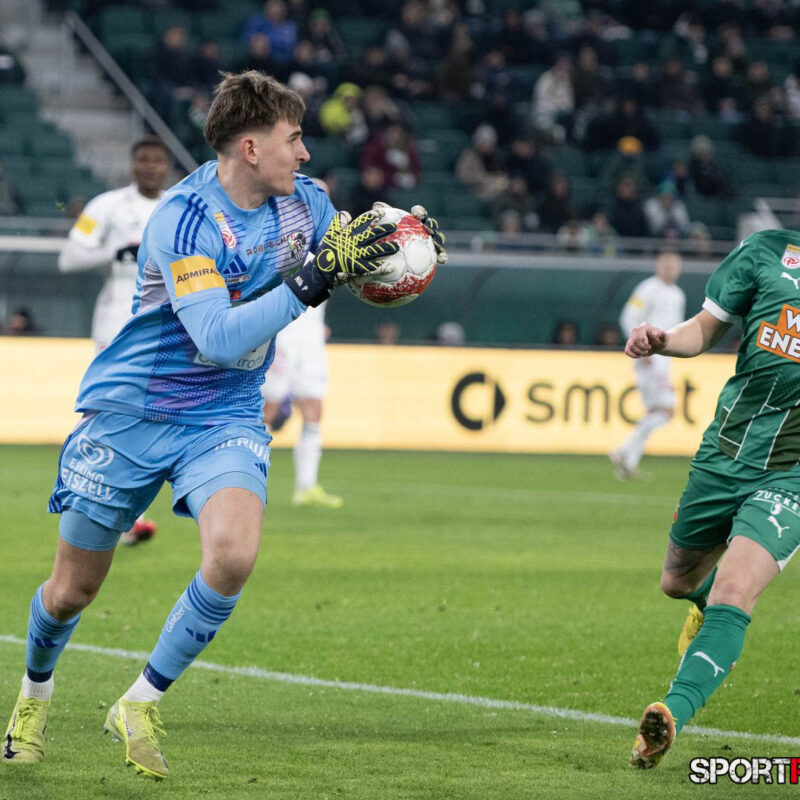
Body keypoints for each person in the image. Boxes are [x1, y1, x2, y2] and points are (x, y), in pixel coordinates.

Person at [1, 69, 446, 780]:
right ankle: (33, 694)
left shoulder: (307, 201)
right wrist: (314, 280)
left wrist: (400, 249)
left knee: (233, 556)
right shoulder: (184, 219)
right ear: (250, 147)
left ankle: (139, 702)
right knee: (71, 591)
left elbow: (350, 262)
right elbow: (216, 336)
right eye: (293, 139)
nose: (305, 153)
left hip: (225, 410)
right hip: (133, 411)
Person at [626, 229, 800, 769]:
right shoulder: (766, 251)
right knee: (677, 581)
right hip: (725, 452)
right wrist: (662, 340)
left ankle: (669, 715)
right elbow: (705, 329)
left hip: (790, 475)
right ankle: (708, 612)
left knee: (734, 593)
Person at [58, 136, 172, 546]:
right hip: (115, 321)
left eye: (157, 161)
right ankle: (93, 502)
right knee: (109, 411)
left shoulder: (179, 205)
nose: (150, 167)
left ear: (168, 166)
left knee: (146, 416)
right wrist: (114, 250)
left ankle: (124, 513)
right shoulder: (106, 206)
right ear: (132, 163)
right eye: (143, 159)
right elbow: (69, 258)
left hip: (164, 324)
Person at [610, 252, 685, 479]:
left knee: (654, 411)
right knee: (667, 411)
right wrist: (640, 347)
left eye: (673, 265)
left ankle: (628, 462)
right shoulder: (648, 288)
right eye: (665, 264)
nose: (669, 268)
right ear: (657, 266)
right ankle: (624, 450)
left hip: (664, 358)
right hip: (650, 358)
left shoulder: (678, 294)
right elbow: (628, 317)